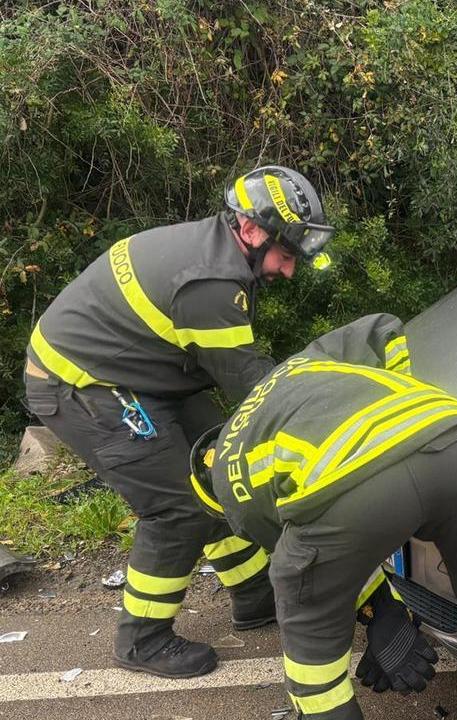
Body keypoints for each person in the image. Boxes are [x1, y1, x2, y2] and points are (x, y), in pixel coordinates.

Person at [23, 166, 336, 678]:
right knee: (178, 507)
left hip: (141, 370)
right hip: (82, 384)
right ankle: (141, 639)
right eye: (285, 255)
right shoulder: (211, 284)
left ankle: (254, 595)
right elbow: (259, 392)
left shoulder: (220, 249)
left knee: (217, 462)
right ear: (252, 230)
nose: (289, 271)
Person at [188, 314, 457, 720]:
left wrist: (380, 612)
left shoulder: (228, 475)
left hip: (358, 477)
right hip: (456, 433)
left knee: (312, 649)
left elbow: (315, 570)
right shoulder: (290, 373)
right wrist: (397, 413)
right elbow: (383, 328)